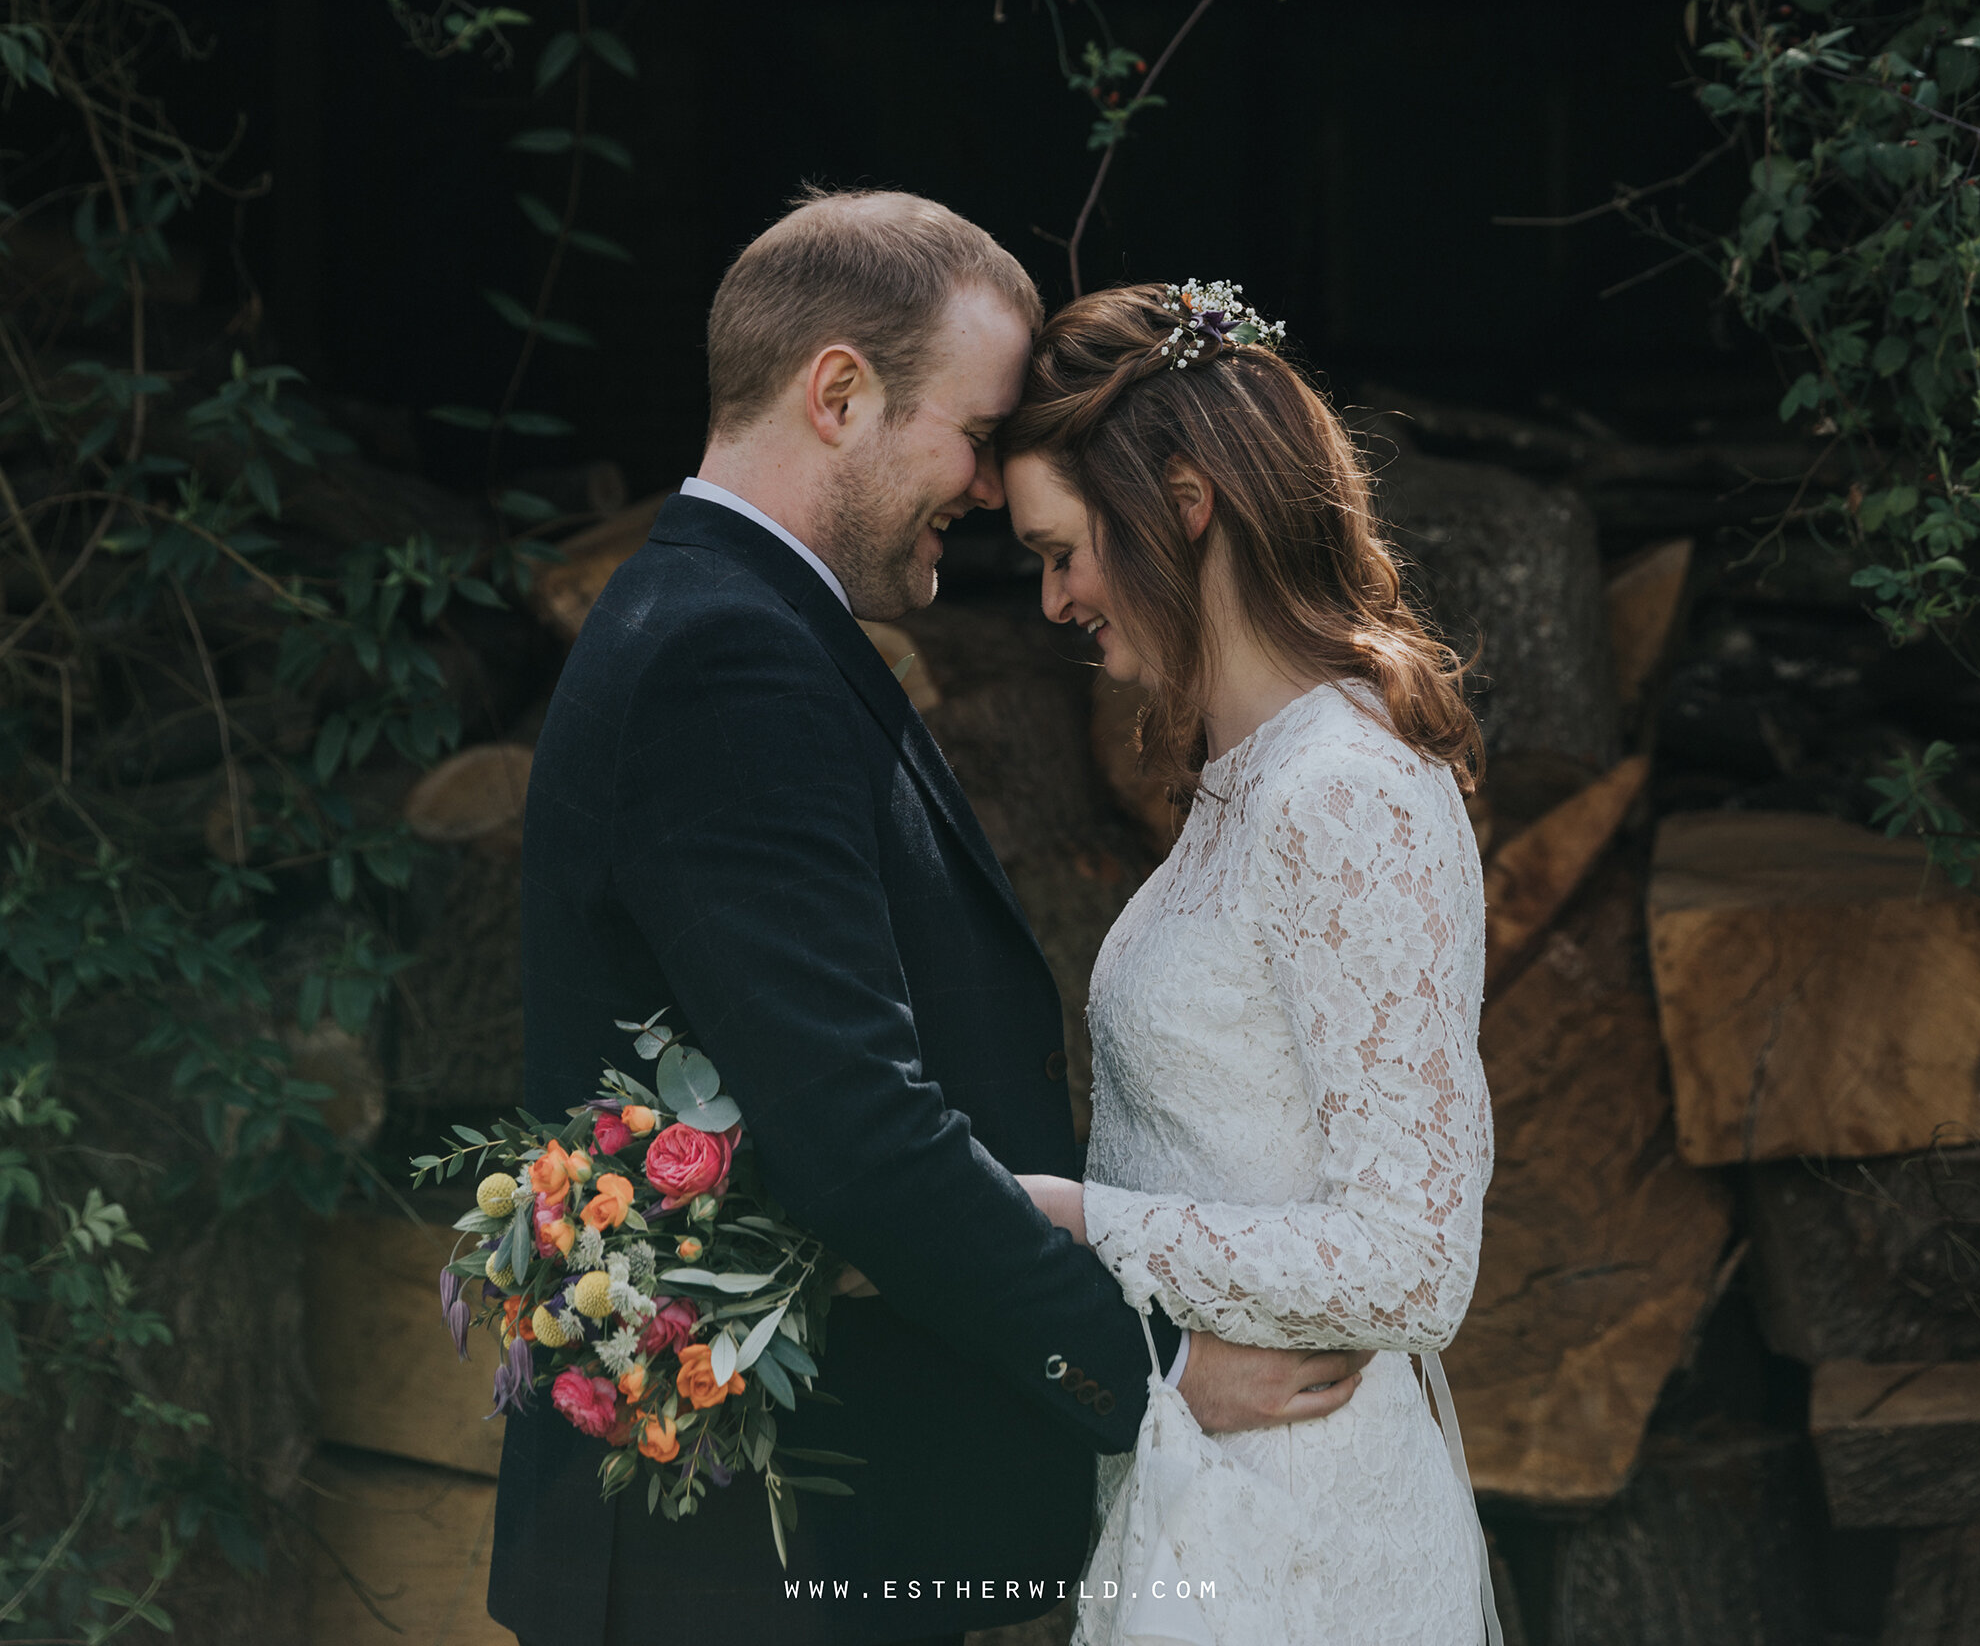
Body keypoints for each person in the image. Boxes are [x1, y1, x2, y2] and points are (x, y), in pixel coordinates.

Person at [490, 196, 1364, 1646]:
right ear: (838, 392)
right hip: (749, 1557)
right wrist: (1148, 1364)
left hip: (813, 1531)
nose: (989, 487)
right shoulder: (728, 654)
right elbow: (856, 1126)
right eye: (972, 432)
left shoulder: (751, 623)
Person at [1001, 280, 1496, 1646]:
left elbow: (1413, 1262)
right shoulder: (1246, 779)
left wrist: (1069, 1222)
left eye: (1063, 551)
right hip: (1213, 1480)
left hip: (1308, 1532)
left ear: (1186, 497)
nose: (1052, 600)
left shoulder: (1346, 789)